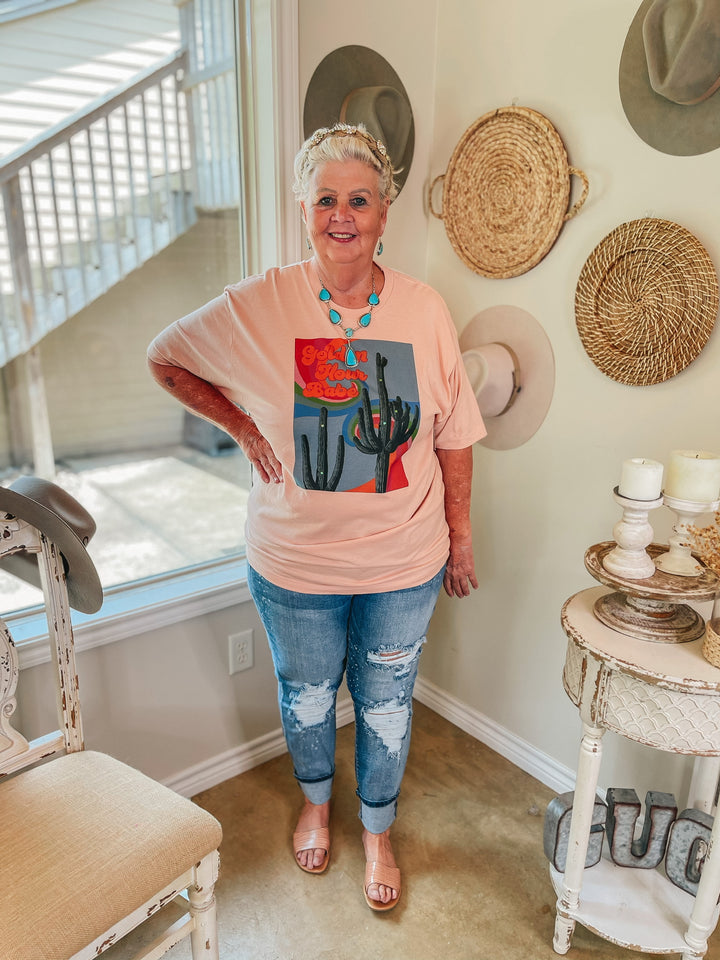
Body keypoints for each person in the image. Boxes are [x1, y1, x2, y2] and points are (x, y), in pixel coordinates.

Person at [147, 122, 486, 911]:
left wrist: (462, 538)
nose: (343, 215)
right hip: (294, 565)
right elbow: (166, 357)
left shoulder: (424, 309)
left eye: (359, 200)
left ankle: (377, 828)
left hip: (404, 562)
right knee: (306, 697)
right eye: (326, 199)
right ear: (303, 209)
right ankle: (314, 802)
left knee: (386, 704)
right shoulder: (260, 302)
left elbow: (456, 435)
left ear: (384, 212)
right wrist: (241, 428)